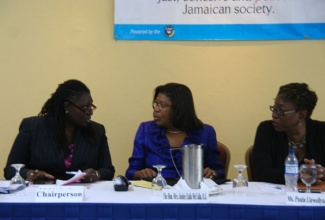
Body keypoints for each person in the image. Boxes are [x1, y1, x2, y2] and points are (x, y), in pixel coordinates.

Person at [4, 79, 115, 183]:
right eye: (85, 107)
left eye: (91, 106)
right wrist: (30, 173)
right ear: (67, 107)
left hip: (84, 197)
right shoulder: (32, 127)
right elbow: (10, 169)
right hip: (42, 196)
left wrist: (97, 174)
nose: (90, 111)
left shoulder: (97, 131)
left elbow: (108, 170)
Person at [125, 83, 224, 182]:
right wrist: (140, 173)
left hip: (193, 193)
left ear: (179, 109)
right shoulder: (145, 130)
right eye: (156, 104)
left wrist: (212, 173)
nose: (156, 109)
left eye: (163, 105)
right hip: (155, 192)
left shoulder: (206, 132)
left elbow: (219, 171)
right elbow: (131, 172)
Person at [253, 82, 325, 184]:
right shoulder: (266, 130)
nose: (274, 115)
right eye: (274, 108)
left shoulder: (322, 131)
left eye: (281, 111)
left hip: (316, 197)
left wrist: (321, 172)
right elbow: (261, 172)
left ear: (301, 115)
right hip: (276, 197)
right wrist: (299, 174)